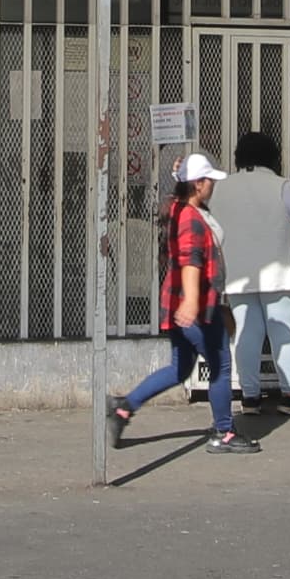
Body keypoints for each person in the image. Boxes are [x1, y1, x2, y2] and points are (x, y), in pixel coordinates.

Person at [109, 152, 246, 452]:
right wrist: (192, 301)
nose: (213, 185)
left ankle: (124, 408)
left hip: (185, 305)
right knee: (221, 366)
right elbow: (190, 261)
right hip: (195, 308)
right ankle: (225, 433)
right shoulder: (190, 218)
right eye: (209, 180)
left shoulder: (181, 208)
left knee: (180, 369)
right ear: (198, 184)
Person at [204, 127, 290, 412]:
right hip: (279, 273)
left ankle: (250, 396)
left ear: (238, 157)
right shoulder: (281, 185)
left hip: (238, 274)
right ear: (272, 157)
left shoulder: (221, 188)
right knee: (283, 334)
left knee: (246, 334)